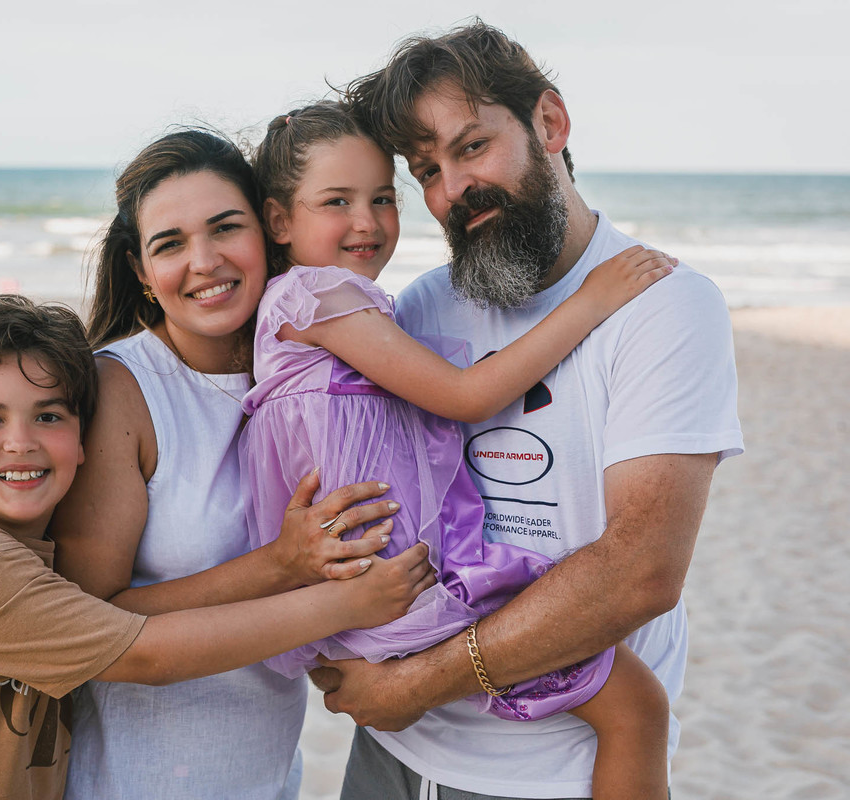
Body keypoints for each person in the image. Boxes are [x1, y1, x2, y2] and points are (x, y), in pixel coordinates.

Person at [304, 20, 744, 800]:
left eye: (471, 147)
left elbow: (639, 573)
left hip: (553, 773)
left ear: (550, 122)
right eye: (425, 169)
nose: (450, 190)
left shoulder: (664, 306)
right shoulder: (421, 307)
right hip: (396, 760)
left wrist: (413, 686)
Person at [0, 294, 434, 800]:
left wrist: (283, 564)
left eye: (49, 415)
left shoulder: (27, 550)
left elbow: (130, 613)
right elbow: (148, 653)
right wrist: (347, 604)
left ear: (83, 437)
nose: (22, 442)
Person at [241, 100, 676, 798]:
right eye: (336, 201)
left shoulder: (342, 303)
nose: (366, 220)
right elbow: (466, 396)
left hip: (391, 574)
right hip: (402, 582)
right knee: (637, 708)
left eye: (383, 197)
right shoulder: (316, 297)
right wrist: (593, 300)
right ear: (280, 220)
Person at [48, 130, 427, 799]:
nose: (205, 261)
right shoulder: (122, 389)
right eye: (170, 244)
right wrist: (283, 565)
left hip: (266, 779)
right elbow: (90, 622)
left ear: (270, 231)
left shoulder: (310, 369)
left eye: (227, 228)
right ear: (140, 269)